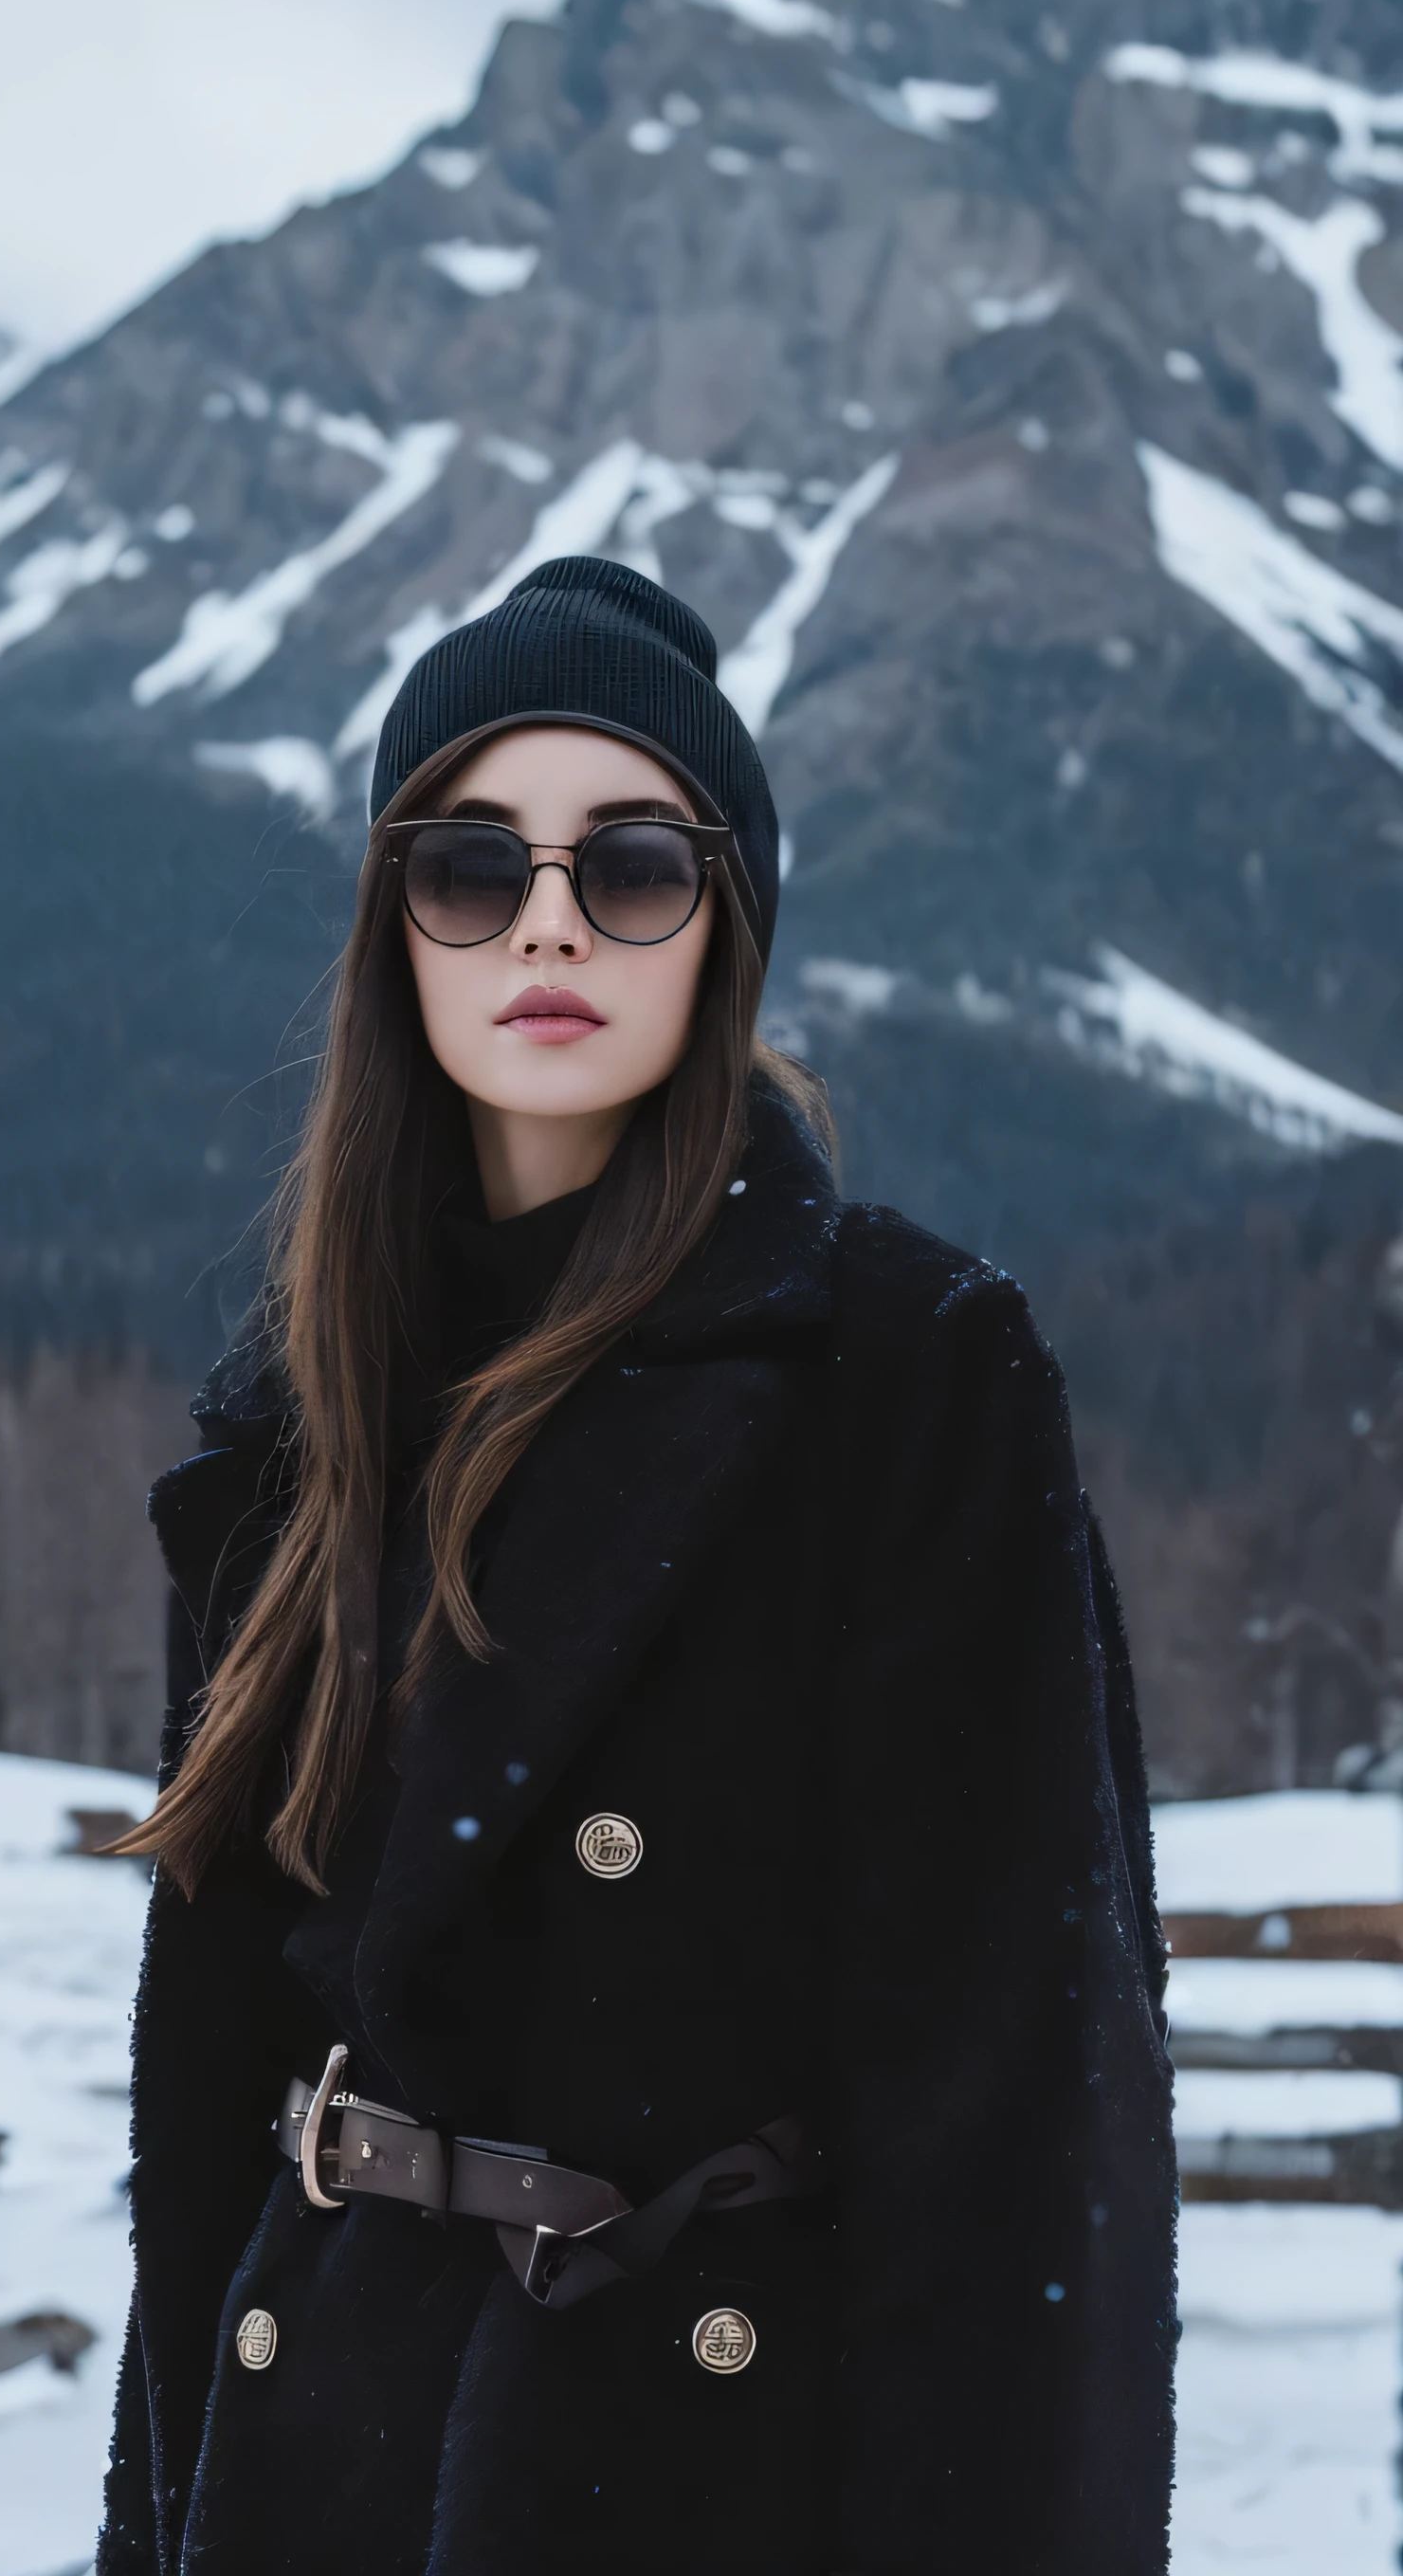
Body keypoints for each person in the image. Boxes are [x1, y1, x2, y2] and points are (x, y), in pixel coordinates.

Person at [99, 556, 1176, 2576]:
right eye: (471, 864)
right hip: (311, 2458)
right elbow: (205, 2116)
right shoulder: (297, 1421)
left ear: (723, 928)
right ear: (393, 926)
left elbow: (1024, 2133)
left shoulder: (903, 1372)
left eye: (638, 865)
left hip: (701, 2470)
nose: (549, 923)